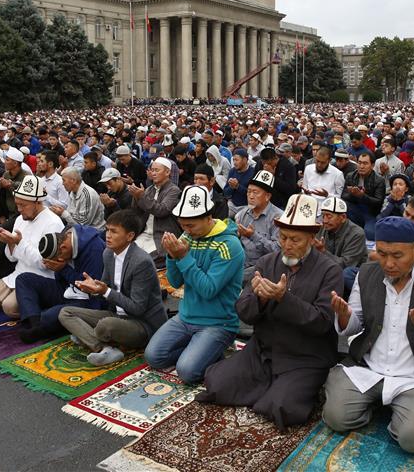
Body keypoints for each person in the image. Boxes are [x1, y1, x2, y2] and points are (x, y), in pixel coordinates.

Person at [322, 216, 414, 453]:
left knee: (412, 440)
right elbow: (355, 325)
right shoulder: (367, 274)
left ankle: (402, 416)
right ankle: (377, 406)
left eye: (397, 255)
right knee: (335, 418)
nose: (389, 263)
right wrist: (343, 316)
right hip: (368, 370)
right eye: (382, 254)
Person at [198, 194, 343, 430]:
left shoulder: (330, 270)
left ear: (311, 238)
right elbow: (243, 311)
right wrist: (261, 299)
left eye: (295, 239)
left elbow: (323, 322)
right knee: (217, 384)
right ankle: (270, 384)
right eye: (283, 237)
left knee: (280, 408)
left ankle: (278, 388)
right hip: (264, 350)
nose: (287, 244)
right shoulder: (267, 262)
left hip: (305, 355)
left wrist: (283, 299)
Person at [144, 185, 245, 383]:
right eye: (183, 226)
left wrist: (182, 256)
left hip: (217, 322)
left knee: (188, 372)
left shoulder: (229, 245)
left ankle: (216, 347)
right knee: (154, 356)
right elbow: (175, 281)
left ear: (208, 218)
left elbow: (208, 290)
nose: (186, 231)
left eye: (191, 226)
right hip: (186, 316)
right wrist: (172, 257)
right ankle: (201, 349)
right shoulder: (188, 236)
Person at [59, 209, 167, 365]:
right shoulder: (108, 253)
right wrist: (93, 288)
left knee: (105, 326)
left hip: (143, 323)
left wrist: (105, 291)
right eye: (107, 230)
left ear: (130, 236)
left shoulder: (141, 261)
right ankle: (103, 348)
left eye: (114, 231)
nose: (108, 235)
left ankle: (88, 337)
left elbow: (137, 308)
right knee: (65, 312)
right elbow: (104, 287)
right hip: (117, 314)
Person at [0, 175, 63, 318]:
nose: (19, 209)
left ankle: (40, 307)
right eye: (17, 204)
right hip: (18, 273)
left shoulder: (53, 223)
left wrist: (19, 243)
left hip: (39, 278)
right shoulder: (20, 219)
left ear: (37, 202)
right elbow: (12, 259)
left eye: (23, 205)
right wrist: (10, 242)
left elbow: (45, 264)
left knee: (9, 307)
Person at [15, 223, 106, 342]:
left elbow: (92, 289)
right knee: (24, 279)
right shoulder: (65, 235)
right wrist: (59, 269)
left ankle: (44, 327)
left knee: (50, 315)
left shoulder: (94, 248)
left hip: (88, 300)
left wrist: (63, 269)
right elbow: (60, 281)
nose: (60, 260)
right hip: (67, 289)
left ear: (63, 247)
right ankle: (36, 325)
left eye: (58, 258)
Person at [129, 157, 181, 256]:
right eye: (152, 170)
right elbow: (136, 212)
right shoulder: (149, 189)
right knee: (127, 253)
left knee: (148, 258)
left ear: (167, 172)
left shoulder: (174, 190)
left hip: (162, 234)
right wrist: (136, 197)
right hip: (144, 233)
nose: (153, 173)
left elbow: (162, 210)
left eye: (157, 170)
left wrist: (142, 196)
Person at [235, 170, 282, 273]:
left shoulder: (278, 218)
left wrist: (253, 236)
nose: (250, 196)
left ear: (267, 196)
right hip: (242, 262)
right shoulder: (243, 214)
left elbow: (278, 251)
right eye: (248, 191)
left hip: (264, 267)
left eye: (255, 192)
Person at [343, 152, 385, 240]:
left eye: (365, 163)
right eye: (359, 162)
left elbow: (378, 202)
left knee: (370, 234)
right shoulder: (350, 176)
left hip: (370, 213)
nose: (361, 166)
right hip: (354, 210)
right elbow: (343, 196)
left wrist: (362, 196)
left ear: (372, 165)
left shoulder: (379, 180)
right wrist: (353, 194)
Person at [51, 167, 105, 231]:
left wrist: (63, 213)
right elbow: (72, 215)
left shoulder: (87, 194)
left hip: (94, 232)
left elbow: (82, 225)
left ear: (73, 181)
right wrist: (60, 212)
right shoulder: (72, 192)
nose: (62, 183)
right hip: (79, 229)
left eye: (64, 180)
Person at [223, 149, 255, 214]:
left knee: (239, 220)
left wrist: (238, 186)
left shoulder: (253, 172)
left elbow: (253, 195)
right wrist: (232, 187)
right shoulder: (232, 171)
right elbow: (225, 192)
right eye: (233, 160)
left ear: (245, 160)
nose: (234, 163)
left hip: (246, 206)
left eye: (237, 160)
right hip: (232, 204)